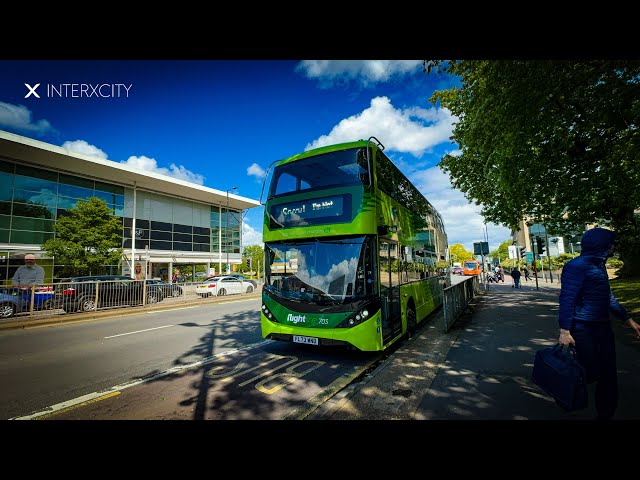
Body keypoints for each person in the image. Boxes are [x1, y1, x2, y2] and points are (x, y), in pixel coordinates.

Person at [558, 227, 640, 420]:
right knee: (589, 371)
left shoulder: (599, 266)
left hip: (603, 327)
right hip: (582, 329)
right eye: (611, 243)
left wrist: (628, 320)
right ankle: (565, 392)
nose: (614, 247)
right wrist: (564, 330)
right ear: (603, 245)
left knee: (609, 376)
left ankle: (606, 415)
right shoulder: (575, 266)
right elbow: (567, 298)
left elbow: (607, 296)